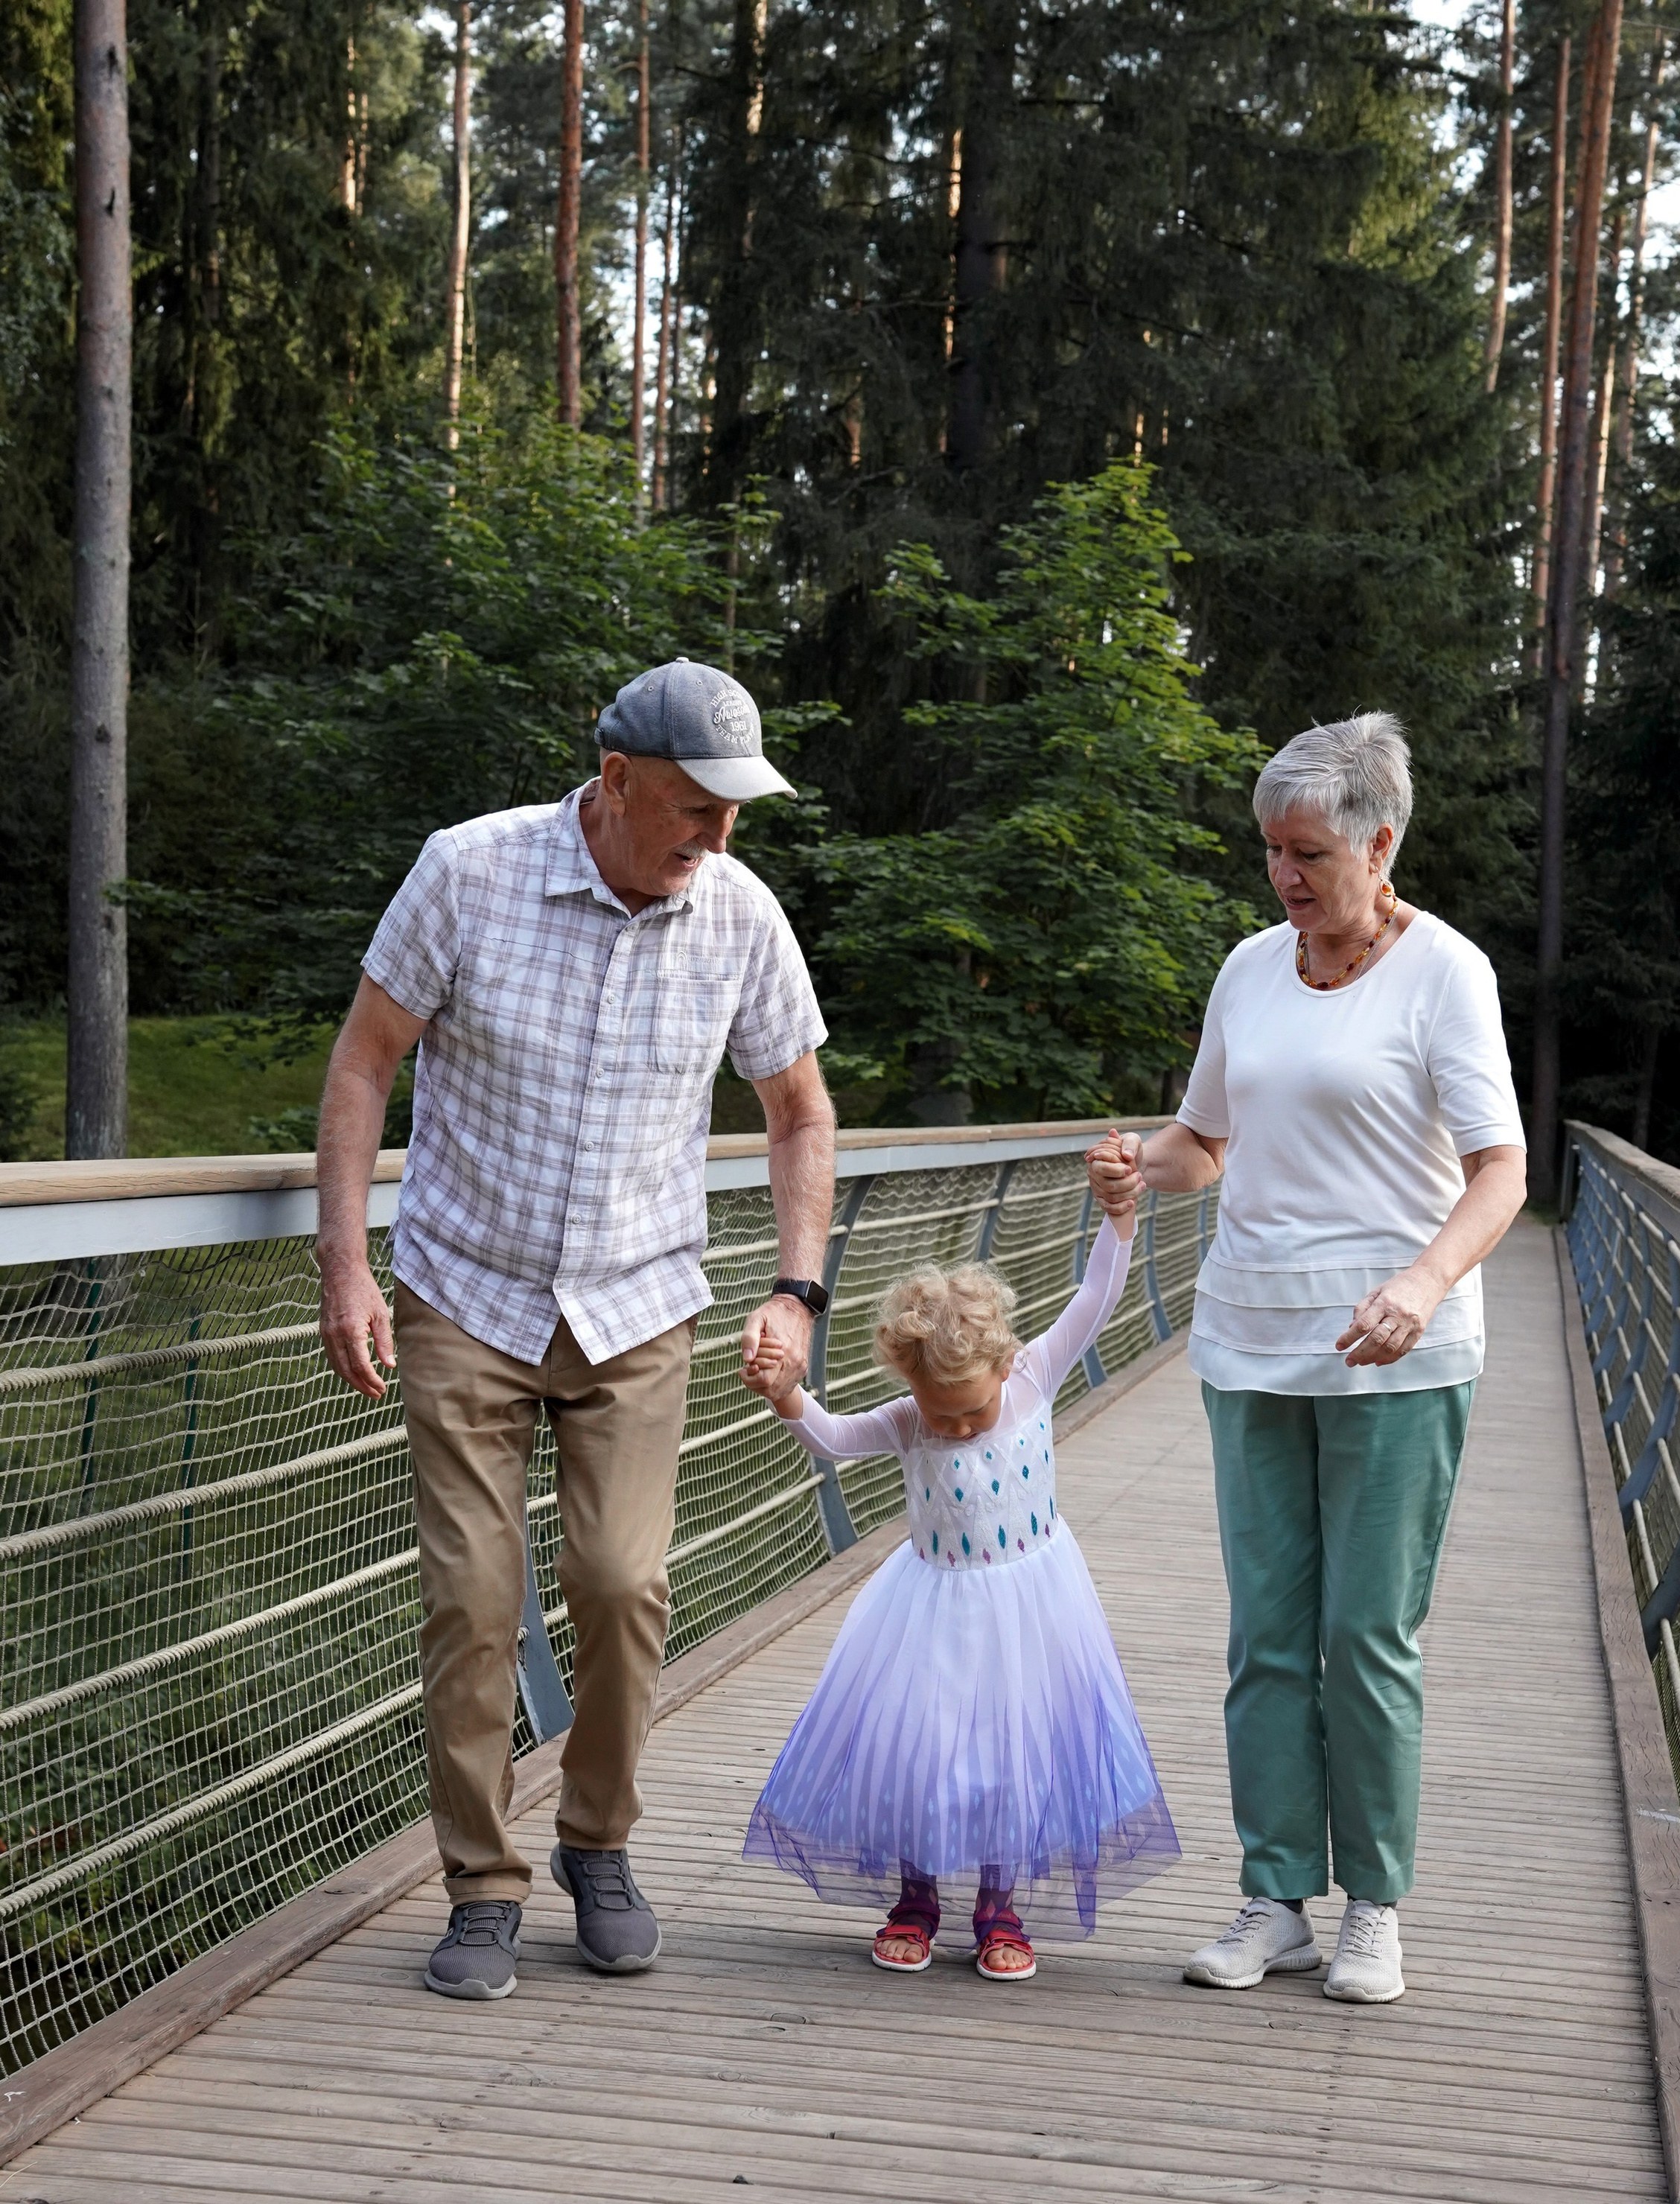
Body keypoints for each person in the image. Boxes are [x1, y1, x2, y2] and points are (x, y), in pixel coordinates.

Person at [314, 657, 836, 2002]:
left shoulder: (738, 914)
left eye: (735, 816)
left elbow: (800, 1112)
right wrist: (347, 1265)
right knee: (474, 1605)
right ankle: (482, 1886)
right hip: (464, 1294)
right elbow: (366, 1059)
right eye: (697, 809)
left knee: (620, 1585)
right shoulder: (469, 872)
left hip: (636, 1305)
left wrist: (798, 1288)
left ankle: (597, 1846)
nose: (718, 839)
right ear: (614, 780)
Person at [1088, 712, 1525, 2007]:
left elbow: (1502, 1170)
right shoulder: (1248, 970)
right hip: (1251, 1339)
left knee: (1365, 1635)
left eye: (1310, 853)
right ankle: (1274, 1898)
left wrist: (1423, 1280)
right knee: (1269, 1638)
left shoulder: (1446, 972)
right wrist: (1137, 1168)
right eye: (1272, 851)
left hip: (1403, 1350)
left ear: (1378, 843)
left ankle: (1373, 1908)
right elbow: (1203, 1144)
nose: (1286, 876)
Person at [736, 1157, 1177, 1980]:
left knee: (1017, 1754)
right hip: (932, 1606)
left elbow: (1095, 1298)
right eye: (944, 1413)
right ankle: (915, 1901)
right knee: (923, 1753)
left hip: (1033, 1603)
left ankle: (999, 1906)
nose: (963, 1426)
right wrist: (788, 1397)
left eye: (973, 1408)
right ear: (910, 1387)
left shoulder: (1035, 1375)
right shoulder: (911, 1419)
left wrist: (1118, 1219)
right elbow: (833, 1440)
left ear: (1006, 1365)